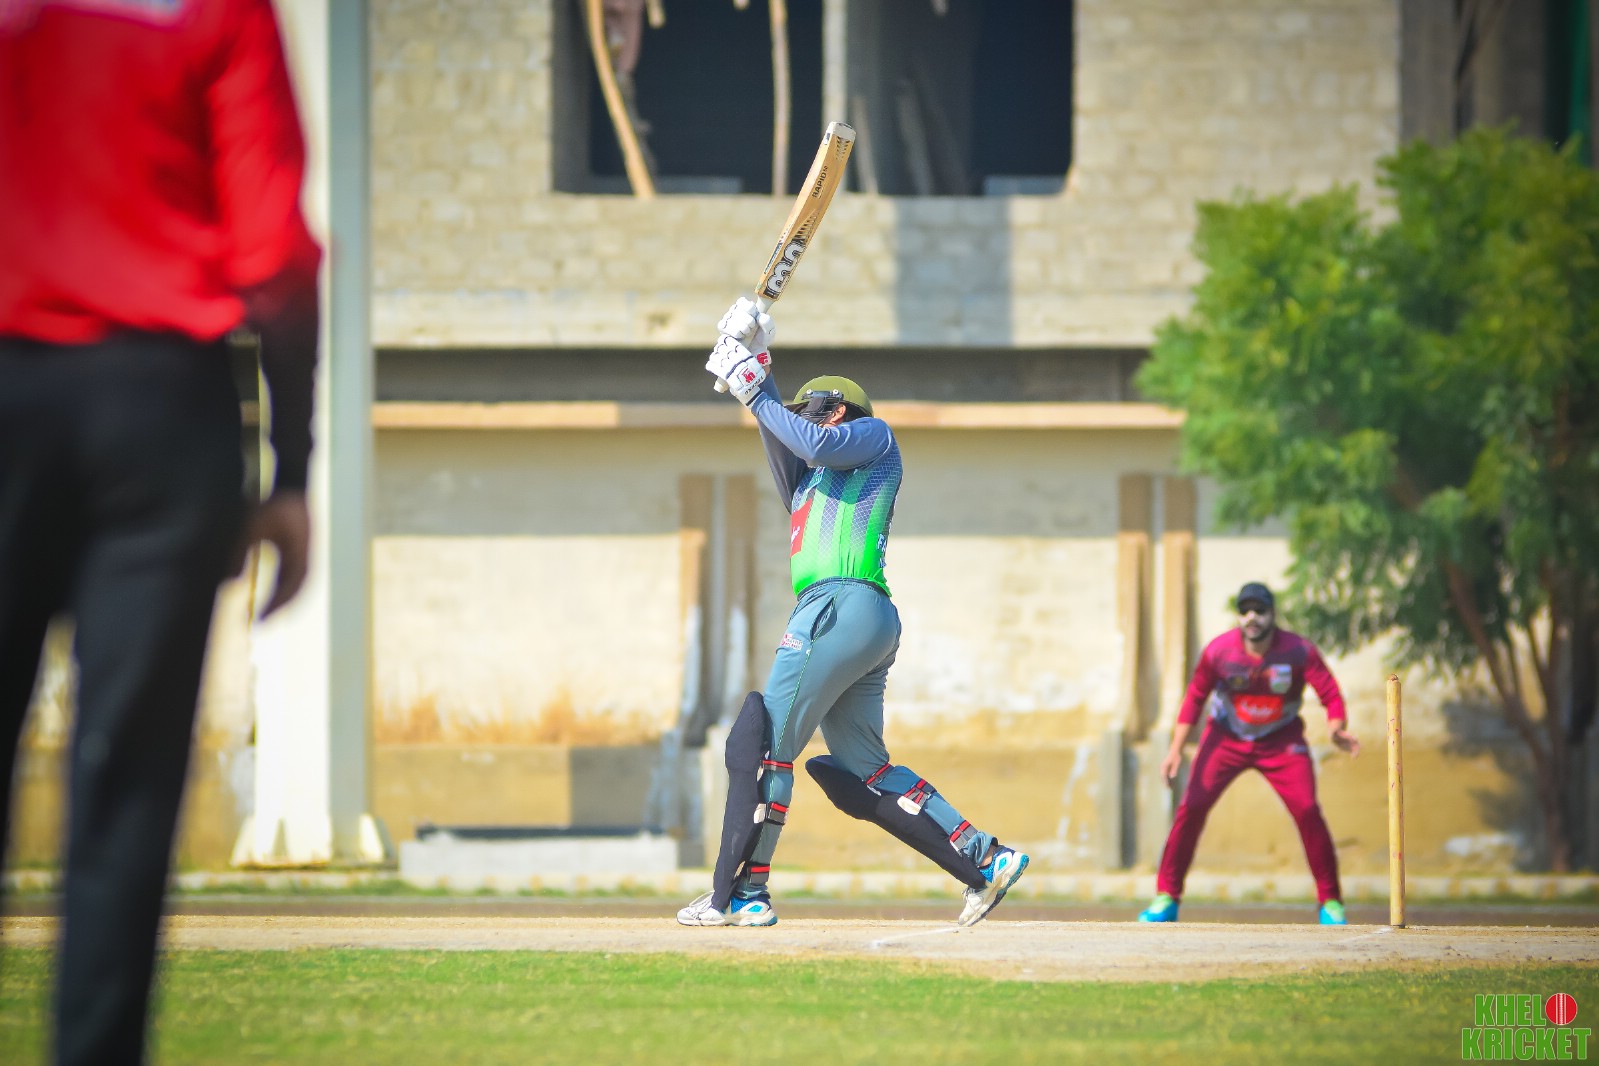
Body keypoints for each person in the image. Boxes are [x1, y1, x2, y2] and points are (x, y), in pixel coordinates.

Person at [0, 2, 322, 1062]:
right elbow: (275, 253)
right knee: (126, 789)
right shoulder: (219, 9)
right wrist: (290, 470)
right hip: (158, 406)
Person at [676, 299, 1029, 929]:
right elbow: (784, 438)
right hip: (864, 619)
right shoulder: (812, 477)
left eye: (809, 408)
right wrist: (756, 363)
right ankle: (985, 856)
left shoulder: (872, 435)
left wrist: (752, 388)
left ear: (838, 409)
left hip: (837, 606)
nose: (799, 419)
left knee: (768, 747)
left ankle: (747, 893)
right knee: (866, 768)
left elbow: (808, 437)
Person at [1137, 582, 1360, 925]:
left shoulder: (1298, 650)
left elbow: (1329, 692)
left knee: (1307, 808)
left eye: (1260, 610)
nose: (1252, 617)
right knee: (1192, 806)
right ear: (1238, 617)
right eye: (1245, 610)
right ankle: (1166, 898)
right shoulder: (1219, 652)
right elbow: (1195, 697)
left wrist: (1336, 727)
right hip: (1226, 737)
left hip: (1281, 740)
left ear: (1273, 614)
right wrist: (1175, 750)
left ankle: (1330, 902)